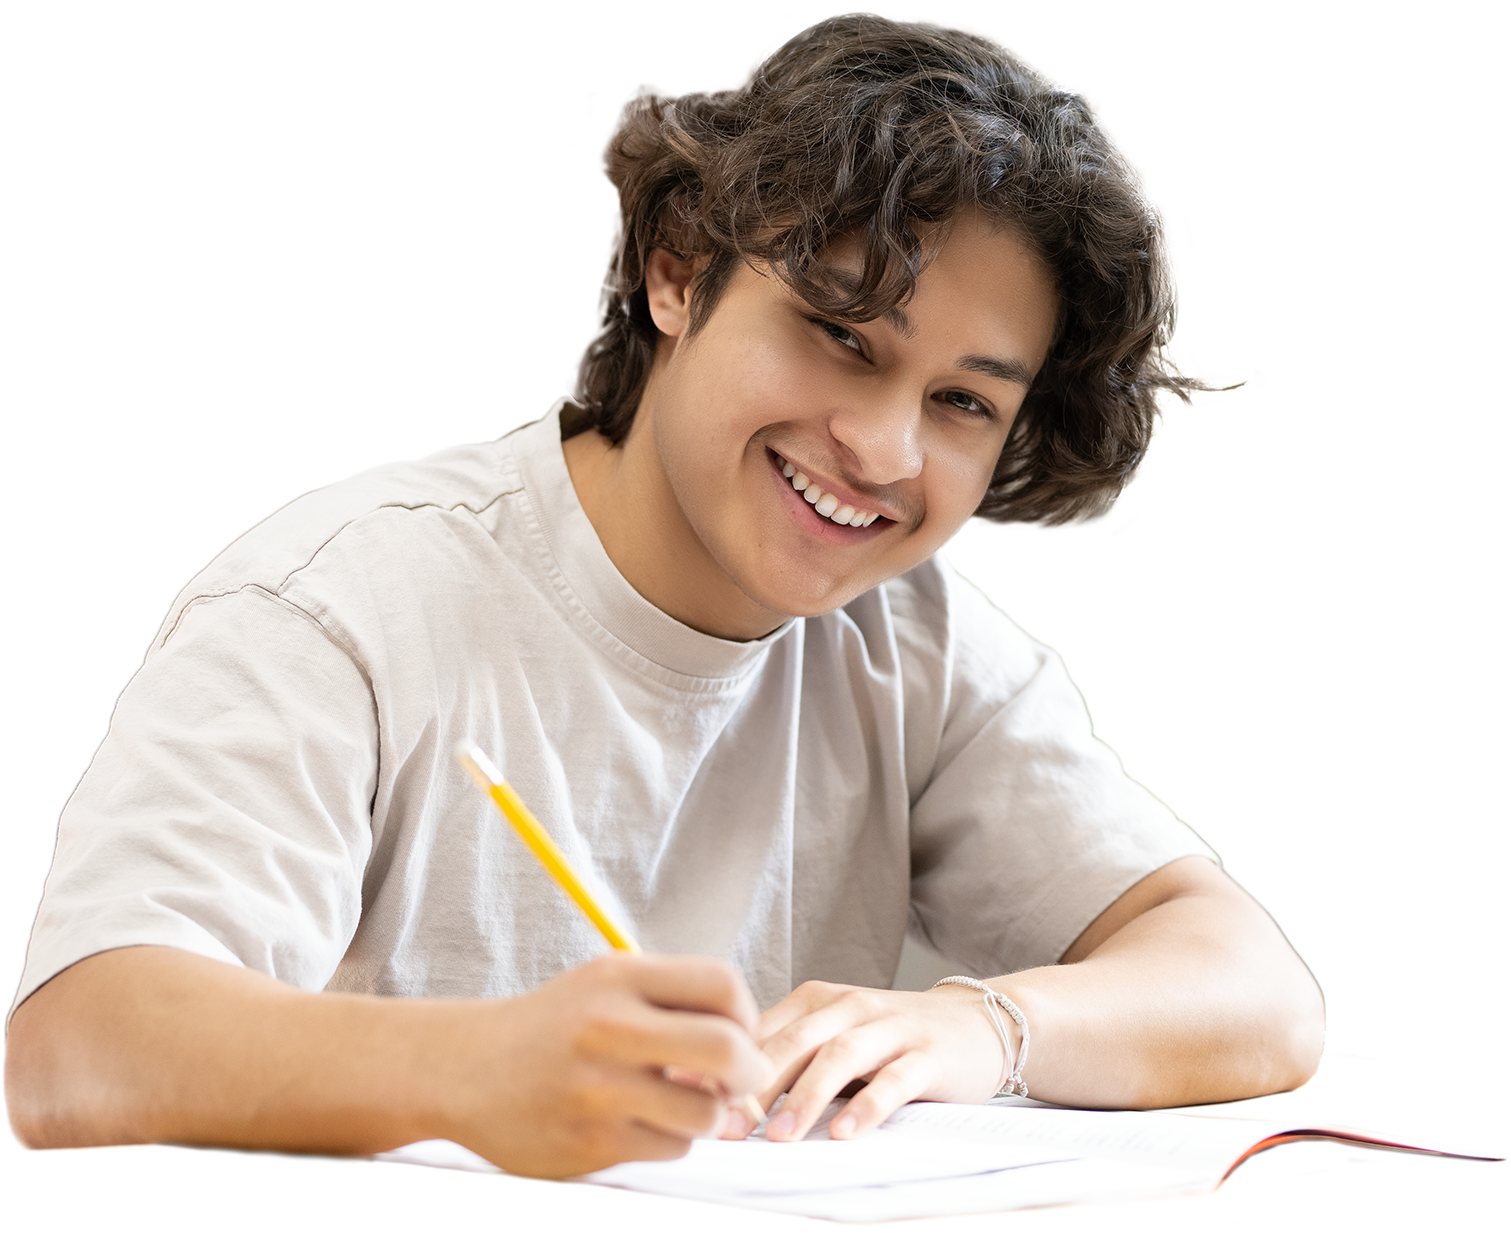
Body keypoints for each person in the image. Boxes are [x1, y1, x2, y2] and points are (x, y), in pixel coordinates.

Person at [4, 14, 1323, 1180]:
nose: (882, 450)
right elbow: (76, 1049)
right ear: (680, 271)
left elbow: (1254, 990)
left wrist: (983, 1027)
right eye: (839, 334)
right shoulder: (337, 605)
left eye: (963, 402)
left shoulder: (919, 654)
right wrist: (470, 1069)